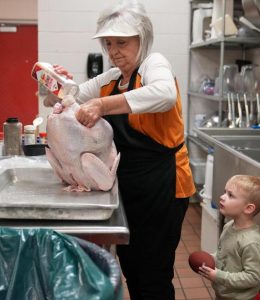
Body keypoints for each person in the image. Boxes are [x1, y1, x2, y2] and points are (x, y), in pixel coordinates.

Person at [46, 1, 195, 299]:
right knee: (132, 268)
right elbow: (67, 97)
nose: (113, 51)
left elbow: (164, 94)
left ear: (142, 38)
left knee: (154, 274)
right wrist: (54, 84)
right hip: (128, 185)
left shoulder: (154, 64)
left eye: (122, 42)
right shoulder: (112, 79)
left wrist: (102, 105)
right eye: (108, 43)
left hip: (164, 185)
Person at [199, 175, 260, 300]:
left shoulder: (251, 242)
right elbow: (225, 254)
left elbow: (253, 277)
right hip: (224, 295)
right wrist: (211, 258)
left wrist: (218, 276)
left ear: (248, 208)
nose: (222, 197)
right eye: (225, 192)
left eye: (230, 195)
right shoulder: (229, 226)